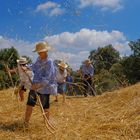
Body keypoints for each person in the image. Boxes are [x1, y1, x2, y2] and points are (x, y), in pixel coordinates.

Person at [24, 41, 57, 125]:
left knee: (45, 107)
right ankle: (26, 123)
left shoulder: (49, 62)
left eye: (40, 52)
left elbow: (47, 77)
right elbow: (34, 66)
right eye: (38, 52)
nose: (39, 53)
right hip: (34, 85)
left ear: (46, 51)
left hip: (44, 88)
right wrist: (27, 68)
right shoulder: (38, 59)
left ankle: (46, 123)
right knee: (29, 104)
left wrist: (38, 85)